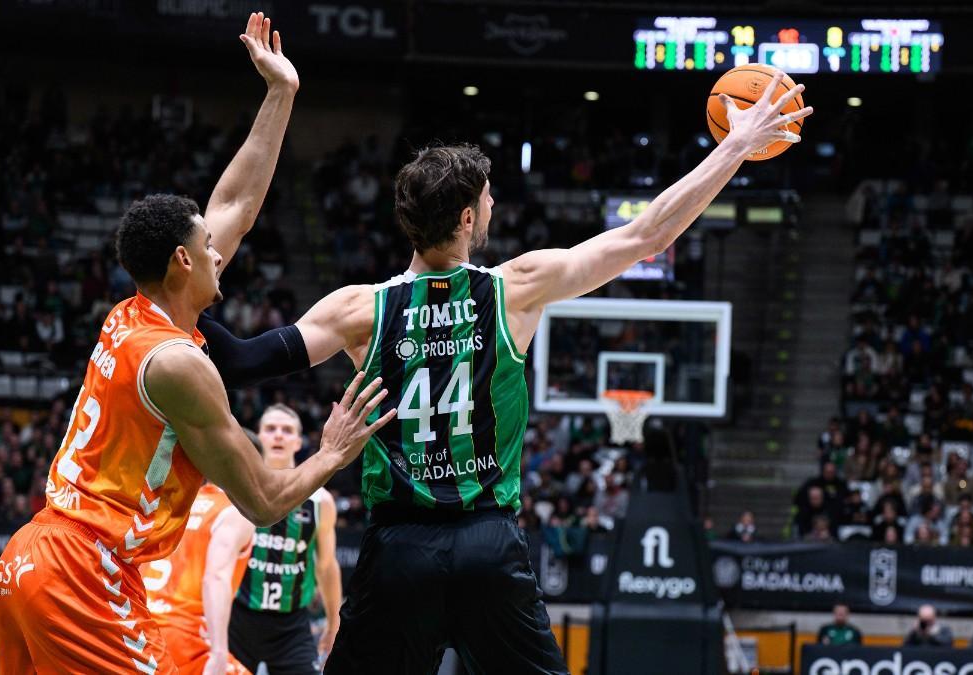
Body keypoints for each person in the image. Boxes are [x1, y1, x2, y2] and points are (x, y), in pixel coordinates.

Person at [286, 72, 811, 673]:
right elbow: (650, 234)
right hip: (487, 539)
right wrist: (734, 146)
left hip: (398, 545)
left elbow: (250, 358)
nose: (494, 204)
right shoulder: (514, 288)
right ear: (465, 218)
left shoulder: (361, 308)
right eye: (486, 197)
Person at [0, 14, 393, 674]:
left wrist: (280, 95)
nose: (220, 251)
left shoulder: (139, 314)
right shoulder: (180, 364)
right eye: (208, 247)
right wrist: (330, 452)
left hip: (28, 557)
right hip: (82, 572)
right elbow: (262, 499)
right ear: (182, 260)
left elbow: (232, 204)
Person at [229, 406, 343, 675]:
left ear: (298, 441)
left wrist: (333, 623)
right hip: (238, 617)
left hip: (291, 626)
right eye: (270, 429)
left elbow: (326, 567)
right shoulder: (234, 490)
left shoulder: (321, 501)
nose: (278, 435)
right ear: (257, 437)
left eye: (287, 430)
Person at [140, 431, 259, 675]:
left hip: (141, 627)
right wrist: (218, 652)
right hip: (186, 636)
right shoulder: (235, 512)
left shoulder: (177, 504)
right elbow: (216, 578)